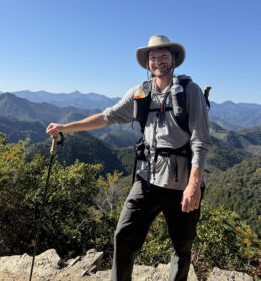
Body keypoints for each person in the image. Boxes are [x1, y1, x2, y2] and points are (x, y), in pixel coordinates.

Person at [46, 35, 212, 281]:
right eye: (153, 57)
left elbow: (201, 140)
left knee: (182, 246)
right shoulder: (141, 93)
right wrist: (66, 127)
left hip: (183, 182)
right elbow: (107, 116)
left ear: (174, 59)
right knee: (123, 236)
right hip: (148, 177)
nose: (158, 61)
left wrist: (194, 185)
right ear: (147, 63)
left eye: (163, 56)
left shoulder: (190, 91)